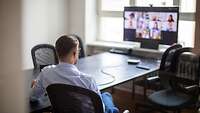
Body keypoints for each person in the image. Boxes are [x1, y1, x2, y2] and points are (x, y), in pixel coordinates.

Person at [30, 35, 119, 113]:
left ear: (57, 52)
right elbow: (101, 109)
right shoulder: (88, 80)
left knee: (105, 96)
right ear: (74, 53)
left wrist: (36, 86)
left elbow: (33, 98)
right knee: (106, 96)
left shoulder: (46, 73)